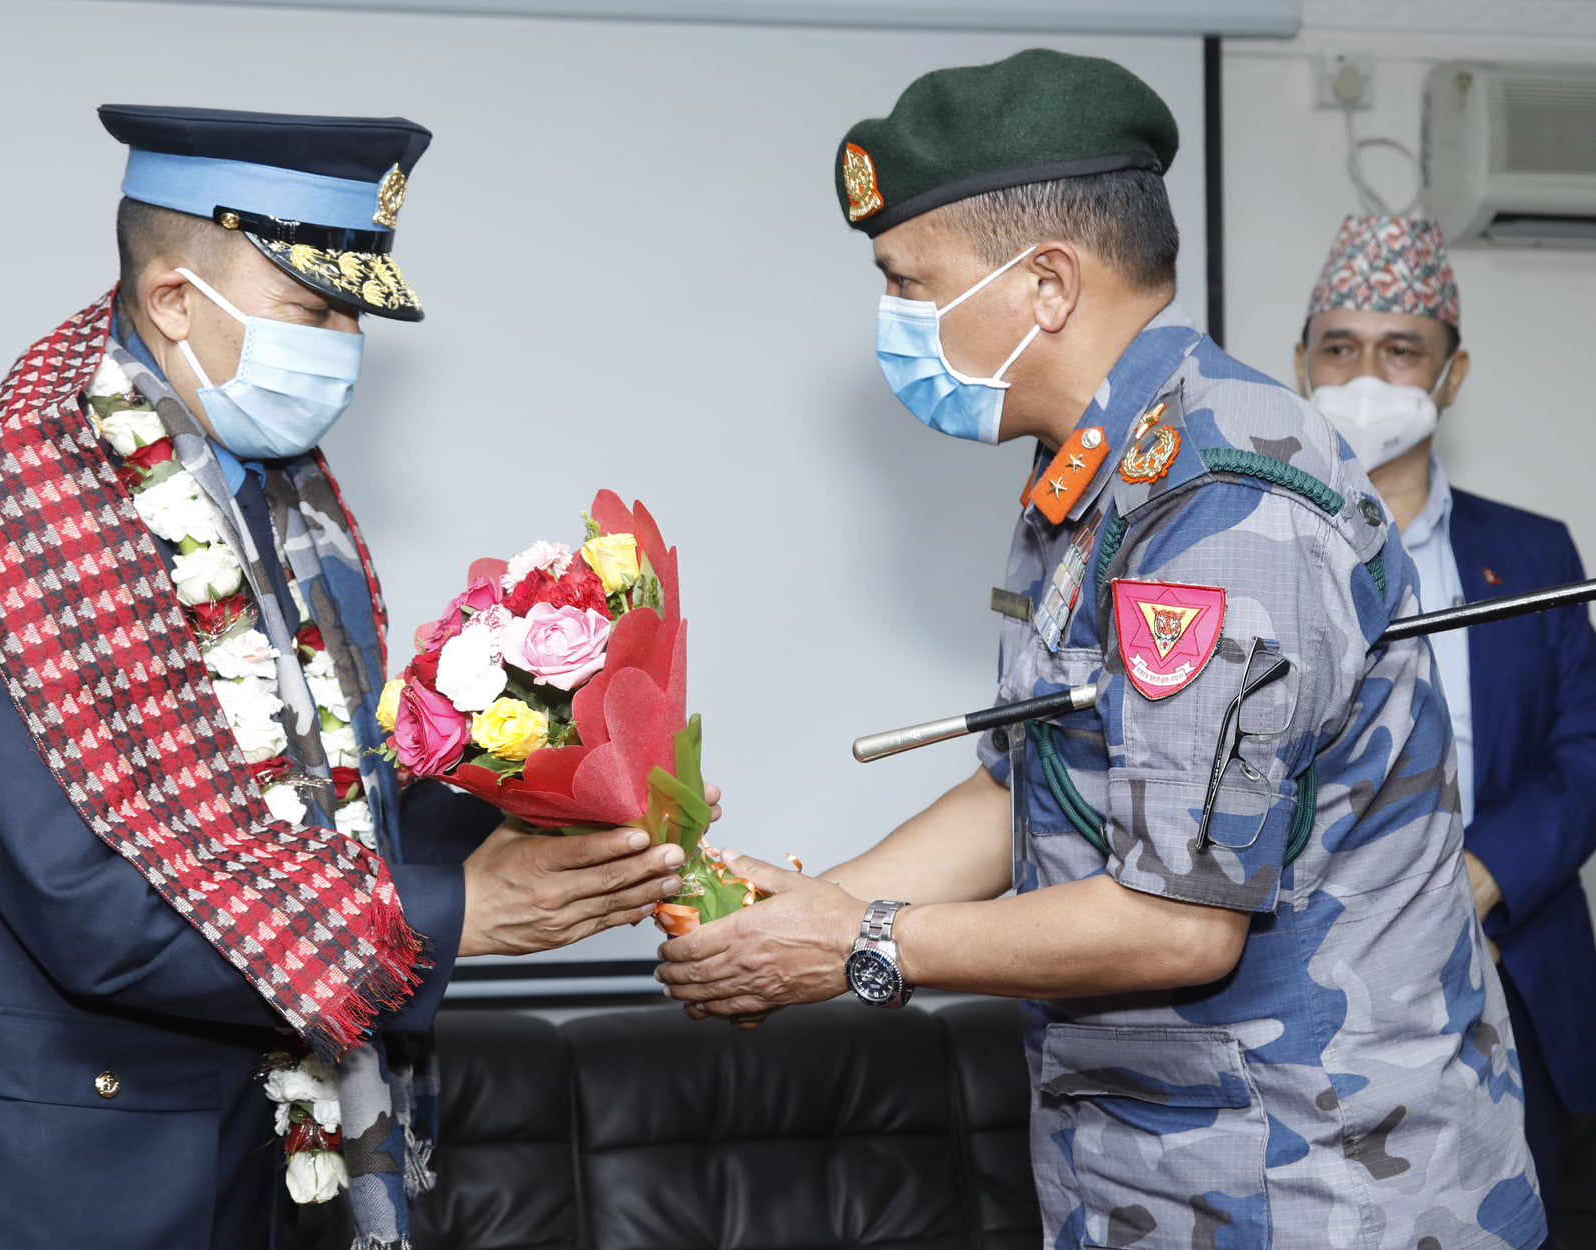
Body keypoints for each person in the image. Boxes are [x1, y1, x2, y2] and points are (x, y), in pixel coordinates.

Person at [656, 51, 1545, 1250]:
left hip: (1314, 1185)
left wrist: (857, 942)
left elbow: (1178, 918)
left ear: (1046, 285)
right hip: (1155, 1170)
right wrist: (809, 908)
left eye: (911, 282)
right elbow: (1036, 775)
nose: (896, 320)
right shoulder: (1103, 471)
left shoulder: (1222, 504)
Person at [0, 105, 692, 1250]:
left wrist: (554, 788)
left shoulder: (278, 497)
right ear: (175, 299)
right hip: (26, 1187)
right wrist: (464, 914)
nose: (346, 345)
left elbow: (325, 816)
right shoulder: (3, 519)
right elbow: (94, 906)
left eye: (355, 314)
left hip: (250, 1166)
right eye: (314, 309)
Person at [1297, 214, 1596, 1236]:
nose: (1363, 377)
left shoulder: (1535, 551)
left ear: (1451, 374)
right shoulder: (1248, 544)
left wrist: (1473, 881)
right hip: (1319, 988)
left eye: (1400, 350)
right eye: (1339, 348)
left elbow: (1584, 753)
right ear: (1299, 365)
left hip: (1509, 965)